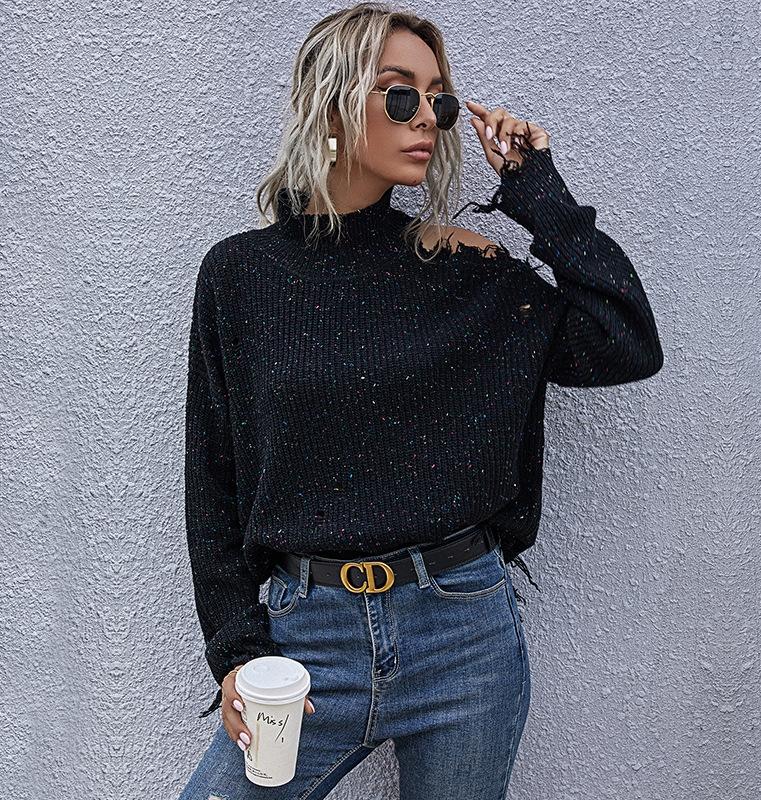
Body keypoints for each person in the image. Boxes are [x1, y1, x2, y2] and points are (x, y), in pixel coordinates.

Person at [179, 3, 664, 798]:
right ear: (332, 105)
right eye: (399, 93)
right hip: (305, 644)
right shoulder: (241, 275)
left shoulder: (460, 267)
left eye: (439, 100)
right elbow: (213, 475)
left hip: (463, 635)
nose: (427, 118)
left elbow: (625, 342)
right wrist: (235, 650)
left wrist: (536, 189)